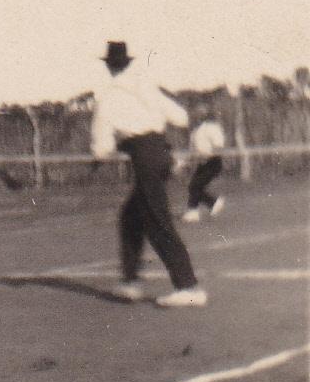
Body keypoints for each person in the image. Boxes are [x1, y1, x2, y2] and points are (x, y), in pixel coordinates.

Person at [90, 41, 205, 308]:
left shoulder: (107, 97)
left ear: (109, 66)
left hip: (144, 157)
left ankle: (187, 286)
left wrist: (100, 155)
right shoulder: (146, 86)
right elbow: (180, 117)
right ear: (127, 64)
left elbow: (102, 146)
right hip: (161, 153)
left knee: (156, 220)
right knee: (130, 217)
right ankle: (130, 284)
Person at [182, 104, 226, 223]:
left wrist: (208, 157)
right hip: (202, 162)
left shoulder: (212, 128)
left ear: (205, 115)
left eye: (200, 114)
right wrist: (185, 163)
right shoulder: (194, 132)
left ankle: (193, 212)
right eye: (196, 114)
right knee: (194, 186)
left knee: (195, 185)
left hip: (213, 162)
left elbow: (219, 146)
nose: (197, 116)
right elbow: (193, 151)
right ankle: (213, 203)